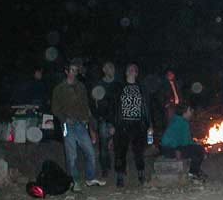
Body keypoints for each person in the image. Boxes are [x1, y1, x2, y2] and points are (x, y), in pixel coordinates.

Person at [51, 59, 106, 192]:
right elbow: (55, 108)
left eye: (76, 71)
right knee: (71, 155)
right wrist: (64, 119)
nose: (74, 73)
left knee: (90, 152)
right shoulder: (59, 89)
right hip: (67, 125)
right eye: (72, 70)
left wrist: (89, 124)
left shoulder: (81, 87)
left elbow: (86, 106)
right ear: (66, 71)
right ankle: (74, 181)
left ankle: (90, 178)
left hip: (81, 124)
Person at [114, 63, 153, 187]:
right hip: (123, 123)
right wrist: (113, 124)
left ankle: (141, 174)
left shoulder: (141, 88)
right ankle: (120, 177)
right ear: (126, 72)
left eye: (134, 70)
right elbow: (114, 107)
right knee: (121, 151)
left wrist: (149, 124)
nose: (132, 71)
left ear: (137, 73)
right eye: (130, 69)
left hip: (138, 124)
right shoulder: (119, 87)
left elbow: (146, 107)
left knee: (139, 151)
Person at [161, 102, 207, 180]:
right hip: (172, 150)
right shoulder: (183, 123)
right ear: (185, 111)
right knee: (199, 150)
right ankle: (193, 173)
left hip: (164, 149)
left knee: (194, 148)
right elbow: (185, 143)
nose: (192, 113)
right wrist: (196, 143)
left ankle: (196, 170)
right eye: (190, 111)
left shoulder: (175, 118)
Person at [91, 61, 121, 178]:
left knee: (118, 144)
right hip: (104, 119)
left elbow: (120, 105)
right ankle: (105, 168)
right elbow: (96, 105)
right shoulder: (99, 85)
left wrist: (117, 122)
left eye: (112, 67)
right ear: (104, 70)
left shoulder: (118, 84)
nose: (112, 70)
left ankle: (119, 170)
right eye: (109, 67)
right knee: (103, 146)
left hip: (117, 119)